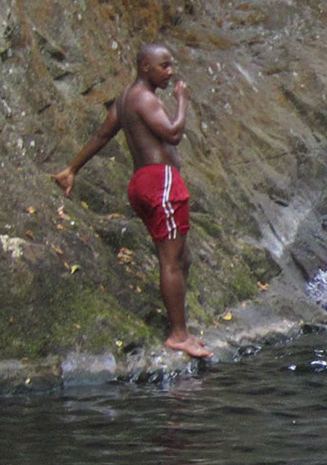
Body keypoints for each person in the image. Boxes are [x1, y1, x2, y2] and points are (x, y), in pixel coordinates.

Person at [53, 44, 213, 359]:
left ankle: (182, 326)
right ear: (144, 67)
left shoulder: (126, 99)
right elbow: (173, 134)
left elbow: (102, 136)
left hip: (142, 183)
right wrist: (182, 103)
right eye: (164, 66)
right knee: (171, 262)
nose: (170, 73)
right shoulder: (144, 98)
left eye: (171, 66)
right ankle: (178, 335)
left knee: (183, 258)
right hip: (160, 183)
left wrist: (72, 169)